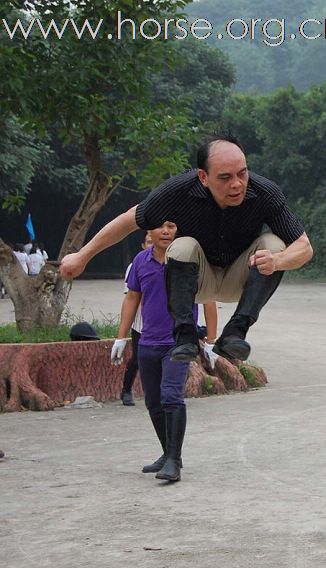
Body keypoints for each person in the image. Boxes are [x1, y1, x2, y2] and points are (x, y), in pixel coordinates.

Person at [60, 136, 313, 364]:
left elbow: (304, 248)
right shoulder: (178, 191)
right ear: (203, 177)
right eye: (225, 177)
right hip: (196, 281)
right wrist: (83, 256)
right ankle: (185, 335)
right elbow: (129, 220)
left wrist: (277, 261)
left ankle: (236, 331)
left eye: (242, 174)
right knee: (181, 246)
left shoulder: (265, 193)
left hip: (240, 278)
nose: (237, 185)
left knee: (274, 245)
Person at [111, 221, 217, 482]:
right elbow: (132, 298)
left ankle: (173, 461)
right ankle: (168, 453)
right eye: (160, 227)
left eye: (171, 226)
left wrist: (212, 342)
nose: (166, 231)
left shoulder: (190, 260)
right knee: (153, 401)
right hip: (148, 341)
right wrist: (121, 337)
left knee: (171, 395)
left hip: (179, 342)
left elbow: (209, 300)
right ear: (149, 232)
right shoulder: (140, 261)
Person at [117, 232, 155, 406]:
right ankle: (126, 389)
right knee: (138, 358)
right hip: (141, 323)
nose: (152, 245)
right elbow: (131, 297)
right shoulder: (137, 265)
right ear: (143, 245)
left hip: (166, 322)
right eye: (148, 242)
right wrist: (121, 335)